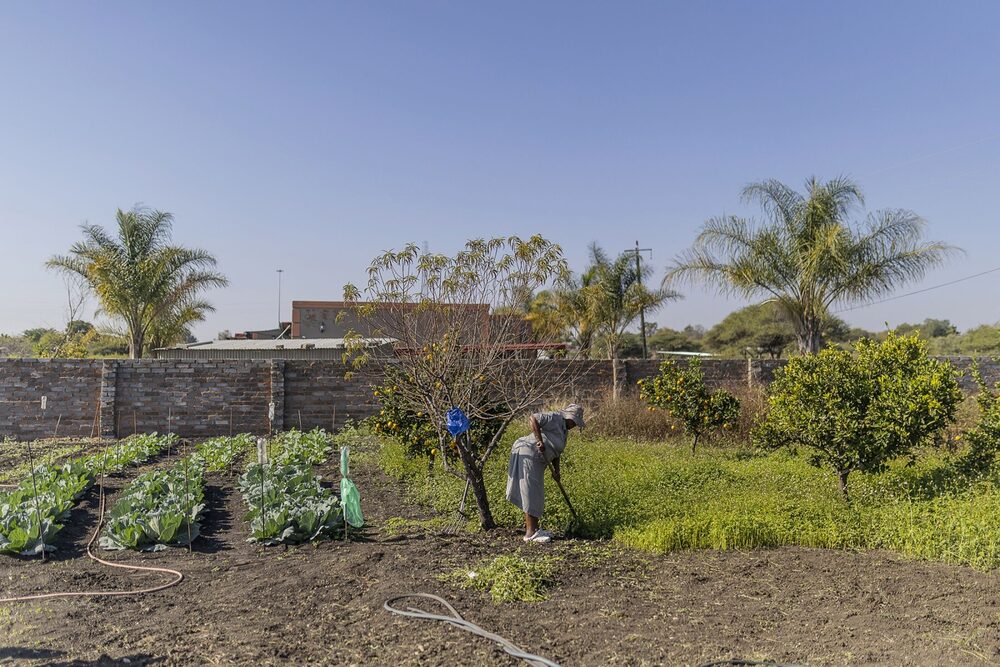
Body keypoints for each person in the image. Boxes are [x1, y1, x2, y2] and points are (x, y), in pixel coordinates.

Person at [505, 403, 585, 543]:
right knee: (531, 491)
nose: (574, 425)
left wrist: (556, 471)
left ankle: (535, 529)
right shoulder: (555, 417)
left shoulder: (564, 431)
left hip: (539, 460)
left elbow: (556, 451)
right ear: (568, 416)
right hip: (529, 453)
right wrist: (539, 441)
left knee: (537, 493)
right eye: (574, 421)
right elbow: (533, 418)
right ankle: (530, 534)